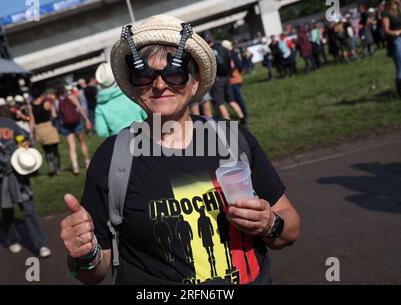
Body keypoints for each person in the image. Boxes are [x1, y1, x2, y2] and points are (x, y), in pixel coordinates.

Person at [59, 15, 300, 285]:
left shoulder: (233, 138)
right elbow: (92, 274)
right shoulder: (112, 159)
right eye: (144, 75)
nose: (160, 85)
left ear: (195, 82)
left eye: (174, 73)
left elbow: (290, 228)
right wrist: (86, 253)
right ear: (135, 86)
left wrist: (270, 224)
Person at [0, 94, 52, 257]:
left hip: (15, 170)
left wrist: (24, 144)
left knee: (28, 207)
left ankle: (41, 244)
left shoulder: (8, 122)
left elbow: (23, 138)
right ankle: (12, 238)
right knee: (6, 209)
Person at [94, 58, 147, 138]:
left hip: (119, 141)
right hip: (142, 134)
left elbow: (102, 132)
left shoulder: (100, 106)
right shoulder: (131, 94)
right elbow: (146, 114)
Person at [204, 32, 245, 122]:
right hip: (227, 77)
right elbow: (230, 62)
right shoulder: (222, 48)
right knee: (231, 100)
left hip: (217, 80)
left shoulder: (208, 52)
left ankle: (228, 123)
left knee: (220, 103)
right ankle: (242, 118)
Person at [56, 85, 92, 174]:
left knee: (71, 147)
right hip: (77, 123)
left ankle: (75, 167)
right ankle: (87, 162)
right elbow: (80, 109)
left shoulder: (56, 101)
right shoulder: (71, 97)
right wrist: (86, 120)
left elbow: (56, 115)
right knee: (82, 142)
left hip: (66, 125)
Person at [30, 89, 61, 175]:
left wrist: (31, 133)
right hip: (49, 127)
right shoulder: (47, 103)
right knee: (55, 149)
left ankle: (50, 167)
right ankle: (58, 168)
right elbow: (54, 114)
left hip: (39, 129)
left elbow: (32, 120)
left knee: (47, 150)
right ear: (40, 95)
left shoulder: (31, 106)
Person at [383, 0, 401, 100]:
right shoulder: (386, 13)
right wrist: (398, 33)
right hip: (395, 40)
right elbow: (386, 30)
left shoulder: (400, 11)